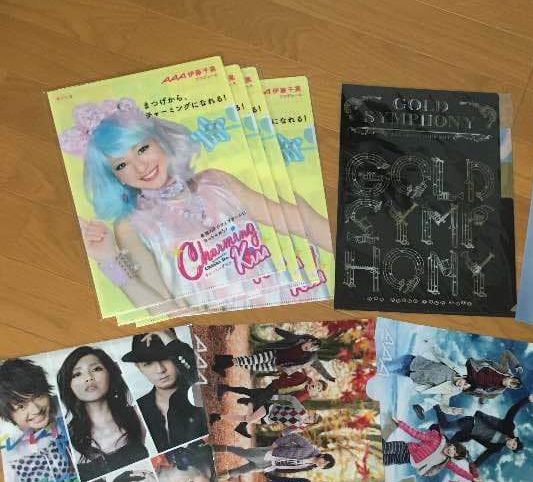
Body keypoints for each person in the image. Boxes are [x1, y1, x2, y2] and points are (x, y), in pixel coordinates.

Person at [60, 98, 331, 311]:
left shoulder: (216, 181)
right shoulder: (131, 225)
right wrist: (109, 260)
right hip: (230, 327)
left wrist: (353, 256)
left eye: (142, 149)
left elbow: (298, 221)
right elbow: (159, 307)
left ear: (160, 140)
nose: (141, 167)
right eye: (121, 165)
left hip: (291, 299)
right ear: (113, 177)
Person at [57, 346, 148, 481]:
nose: (88, 378)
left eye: (96, 369)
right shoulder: (66, 439)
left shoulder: (138, 415)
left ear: (110, 374)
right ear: (68, 386)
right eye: (77, 374)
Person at [0, 358, 79, 482]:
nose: (36, 410)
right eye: (21, 406)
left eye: (38, 396)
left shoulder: (68, 410)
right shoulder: (9, 453)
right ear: (8, 415)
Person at [122, 329, 207, 452]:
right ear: (138, 367)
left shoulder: (201, 392)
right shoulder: (139, 409)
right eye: (148, 363)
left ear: (177, 356)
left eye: (166, 358)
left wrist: (175, 344)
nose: (160, 369)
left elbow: (205, 373)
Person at [432, 393, 533, 467]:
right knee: (446, 427)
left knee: (450, 442)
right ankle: (437, 407)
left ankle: (434, 429)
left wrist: (474, 467)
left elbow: (485, 456)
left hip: (469, 433)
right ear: (515, 439)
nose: (510, 445)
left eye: (512, 447)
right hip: (472, 422)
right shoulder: (508, 427)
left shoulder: (497, 447)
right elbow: (513, 411)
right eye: (513, 444)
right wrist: (527, 400)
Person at [211, 327, 335, 381]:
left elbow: (320, 368)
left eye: (313, 349)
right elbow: (288, 335)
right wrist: (277, 330)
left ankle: (223, 359)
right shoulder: (300, 339)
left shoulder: (310, 358)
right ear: (310, 340)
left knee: (249, 366)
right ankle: (221, 365)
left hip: (275, 366)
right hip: (273, 354)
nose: (310, 348)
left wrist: (329, 377)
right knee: (249, 360)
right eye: (312, 345)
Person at [383, 417, 477, 481]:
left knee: (385, 460)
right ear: (452, 445)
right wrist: (400, 424)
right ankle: (389, 427)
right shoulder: (437, 439)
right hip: (405, 448)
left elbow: (458, 470)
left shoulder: (445, 461)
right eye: (455, 449)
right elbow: (416, 434)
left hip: (407, 459)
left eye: (454, 455)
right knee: (384, 448)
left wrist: (472, 478)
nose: (452, 452)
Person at [385, 351, 472, 418]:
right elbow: (440, 355)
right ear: (465, 378)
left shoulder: (450, 390)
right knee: (386, 366)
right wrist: (429, 342)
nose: (461, 385)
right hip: (412, 361)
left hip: (411, 375)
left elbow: (443, 405)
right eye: (465, 383)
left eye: (463, 388)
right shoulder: (454, 369)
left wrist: (452, 410)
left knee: (387, 370)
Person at [216, 433, 335, 474]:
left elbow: (292, 470)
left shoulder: (310, 467)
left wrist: (275, 470)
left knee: (244, 470)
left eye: (324, 466)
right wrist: (278, 442)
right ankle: (216, 448)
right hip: (271, 454)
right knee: (245, 454)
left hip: (271, 465)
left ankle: (218, 477)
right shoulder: (309, 448)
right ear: (323, 456)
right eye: (324, 462)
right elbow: (294, 436)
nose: (322, 464)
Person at [211, 399, 322, 438]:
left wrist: (284, 435)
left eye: (313, 419)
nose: (311, 417)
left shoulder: (301, 427)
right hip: (270, 409)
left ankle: (218, 416)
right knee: (249, 420)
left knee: (245, 418)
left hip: (269, 420)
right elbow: (291, 400)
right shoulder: (302, 410)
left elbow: (287, 430)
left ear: (312, 423)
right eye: (313, 415)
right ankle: (250, 403)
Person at [218, 372, 327, 411]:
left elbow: (293, 401)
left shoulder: (306, 395)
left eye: (318, 388)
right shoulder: (303, 377)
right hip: (275, 387)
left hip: (276, 396)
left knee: (251, 392)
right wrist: (281, 380)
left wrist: (306, 393)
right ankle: (246, 400)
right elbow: (288, 372)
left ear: (317, 391)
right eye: (317, 384)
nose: (316, 386)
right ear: (315, 381)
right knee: (257, 401)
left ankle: (226, 388)